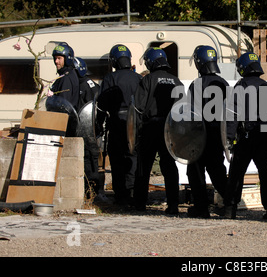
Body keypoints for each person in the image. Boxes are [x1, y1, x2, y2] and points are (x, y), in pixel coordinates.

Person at [223, 52, 267, 220]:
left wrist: (229, 138)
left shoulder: (240, 87)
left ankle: (229, 209)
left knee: (236, 173)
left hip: (245, 137)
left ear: (242, 68)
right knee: (266, 173)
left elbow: (232, 115)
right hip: (264, 138)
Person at [133, 47, 184, 214]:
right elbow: (182, 110)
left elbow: (138, 109)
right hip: (170, 128)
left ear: (150, 62)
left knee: (144, 166)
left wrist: (137, 132)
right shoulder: (177, 81)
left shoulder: (147, 80)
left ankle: (140, 204)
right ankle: (173, 205)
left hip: (150, 127)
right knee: (169, 167)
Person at [186, 46, 229, 218]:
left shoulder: (196, 84)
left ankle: (201, 208)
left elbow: (190, 112)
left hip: (199, 134)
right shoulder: (224, 83)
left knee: (195, 171)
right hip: (218, 134)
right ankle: (230, 204)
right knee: (217, 170)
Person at [96, 44, 142, 206]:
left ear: (114, 61)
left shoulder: (110, 78)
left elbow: (101, 105)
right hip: (135, 124)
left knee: (116, 160)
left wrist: (98, 124)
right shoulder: (138, 78)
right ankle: (132, 191)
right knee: (133, 157)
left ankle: (121, 194)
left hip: (115, 123)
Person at [74, 57, 102, 199]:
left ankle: (91, 192)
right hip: (93, 129)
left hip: (86, 129)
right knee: (92, 160)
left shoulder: (82, 85)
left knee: (89, 160)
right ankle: (93, 190)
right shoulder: (91, 84)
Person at [49, 42, 80, 136]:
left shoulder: (66, 78)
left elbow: (62, 104)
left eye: (59, 58)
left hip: (64, 125)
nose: (56, 61)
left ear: (67, 59)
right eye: (55, 58)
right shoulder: (67, 74)